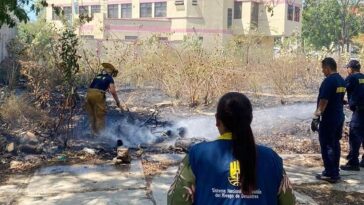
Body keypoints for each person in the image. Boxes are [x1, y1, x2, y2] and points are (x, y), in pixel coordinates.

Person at [168, 92, 295, 205]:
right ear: (250, 119)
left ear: (217, 120)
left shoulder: (197, 155)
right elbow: (288, 201)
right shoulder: (272, 159)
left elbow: (176, 200)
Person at [311, 57, 346, 183]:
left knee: (327, 145)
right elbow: (340, 98)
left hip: (329, 119)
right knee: (335, 144)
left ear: (327, 67)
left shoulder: (329, 81)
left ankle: (331, 174)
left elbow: (324, 101)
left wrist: (316, 117)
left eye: (323, 69)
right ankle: (333, 171)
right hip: (339, 117)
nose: (322, 71)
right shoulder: (341, 80)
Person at [85, 63, 122, 135]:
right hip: (98, 95)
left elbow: (95, 86)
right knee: (100, 116)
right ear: (111, 72)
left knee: (92, 115)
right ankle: (101, 135)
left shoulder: (98, 76)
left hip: (89, 94)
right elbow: (113, 91)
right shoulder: (109, 78)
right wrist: (117, 102)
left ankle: (93, 133)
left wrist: (104, 89)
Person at [340, 60, 364, 171]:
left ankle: (353, 163)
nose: (347, 70)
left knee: (354, 136)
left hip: (359, 113)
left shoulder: (351, 78)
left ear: (351, 68)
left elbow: (341, 89)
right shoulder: (363, 77)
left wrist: (339, 100)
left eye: (348, 68)